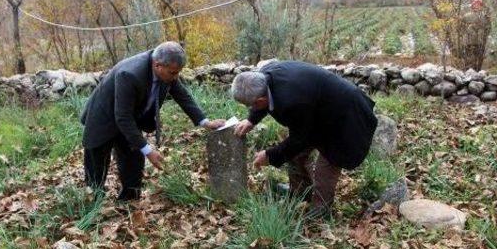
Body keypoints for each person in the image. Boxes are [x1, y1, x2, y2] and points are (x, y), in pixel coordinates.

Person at [80, 41, 225, 200]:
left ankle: (129, 202)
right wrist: (148, 150)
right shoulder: (129, 74)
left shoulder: (167, 72)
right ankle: (94, 205)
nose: (176, 77)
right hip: (103, 118)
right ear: (157, 66)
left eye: (178, 72)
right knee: (96, 165)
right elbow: (122, 117)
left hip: (129, 117)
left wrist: (205, 122)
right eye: (173, 73)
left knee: (133, 161)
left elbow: (183, 97)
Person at [231, 60, 378, 216]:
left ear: (260, 101)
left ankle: (321, 209)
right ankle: (301, 192)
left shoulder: (291, 100)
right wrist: (251, 120)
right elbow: (265, 101)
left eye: (250, 106)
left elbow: (300, 139)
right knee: (296, 156)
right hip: (317, 111)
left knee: (327, 165)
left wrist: (270, 155)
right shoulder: (264, 76)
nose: (250, 109)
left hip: (346, 117)